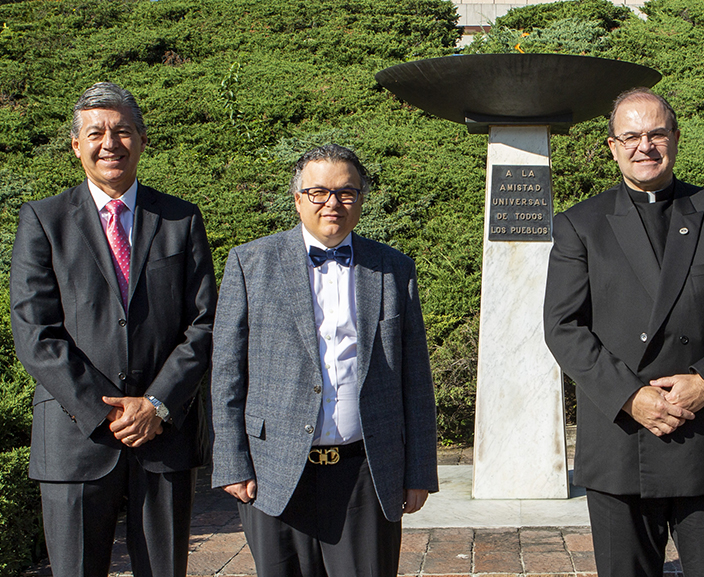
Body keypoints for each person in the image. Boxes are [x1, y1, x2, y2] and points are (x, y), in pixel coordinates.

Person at [543, 87, 704, 577]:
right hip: (621, 441)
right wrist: (630, 395)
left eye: (655, 133)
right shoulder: (580, 225)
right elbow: (564, 327)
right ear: (612, 146)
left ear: (675, 137)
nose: (643, 145)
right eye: (630, 135)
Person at [9, 82, 216, 577]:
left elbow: (204, 322)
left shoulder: (180, 219)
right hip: (74, 435)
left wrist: (156, 403)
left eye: (123, 131)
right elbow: (35, 330)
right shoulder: (44, 220)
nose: (110, 143)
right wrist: (106, 412)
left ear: (142, 140)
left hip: (162, 434)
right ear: (76, 145)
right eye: (96, 132)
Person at [210, 144, 438, 576]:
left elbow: (415, 379)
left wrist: (419, 469)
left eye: (346, 192)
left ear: (360, 200)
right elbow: (227, 374)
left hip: (365, 473)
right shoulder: (249, 263)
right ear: (297, 199)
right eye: (318, 192)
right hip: (274, 469)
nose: (332, 203)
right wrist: (232, 461)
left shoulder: (393, 268)